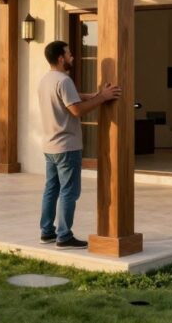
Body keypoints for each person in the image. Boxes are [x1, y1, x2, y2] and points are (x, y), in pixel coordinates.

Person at [38, 40, 121, 249]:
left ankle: (47, 232)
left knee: (51, 189)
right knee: (69, 192)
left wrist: (95, 94)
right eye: (69, 54)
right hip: (66, 146)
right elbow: (76, 110)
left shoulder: (46, 80)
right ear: (60, 58)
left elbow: (70, 99)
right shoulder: (64, 81)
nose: (72, 57)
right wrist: (102, 98)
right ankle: (64, 236)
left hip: (50, 145)